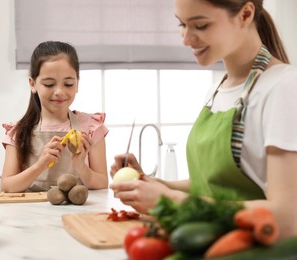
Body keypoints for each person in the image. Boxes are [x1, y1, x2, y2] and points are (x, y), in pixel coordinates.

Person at [110, 0, 297, 239]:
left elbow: (287, 218)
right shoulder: (220, 88)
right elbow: (210, 186)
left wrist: (174, 201)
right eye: (182, 24)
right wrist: (154, 184)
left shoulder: (283, 87)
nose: (186, 39)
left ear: (245, 14)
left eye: (201, 25)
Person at [1, 41, 109, 192]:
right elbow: (7, 186)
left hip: (77, 213)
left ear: (77, 83)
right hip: (33, 214)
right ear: (32, 84)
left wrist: (80, 166)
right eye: (49, 84)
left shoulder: (91, 127)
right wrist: (40, 165)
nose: (59, 91)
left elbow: (102, 182)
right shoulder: (18, 132)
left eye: (68, 84)